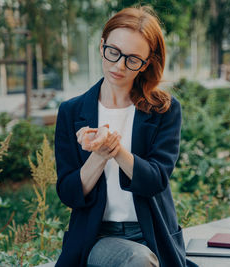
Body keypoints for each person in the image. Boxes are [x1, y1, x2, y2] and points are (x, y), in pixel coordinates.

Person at [54, 6, 197, 267]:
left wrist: (117, 150)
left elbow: (156, 180)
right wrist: (98, 156)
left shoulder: (164, 109)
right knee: (139, 261)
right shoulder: (71, 111)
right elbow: (68, 193)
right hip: (98, 237)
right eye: (113, 52)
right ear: (101, 46)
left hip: (154, 234)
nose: (119, 65)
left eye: (132, 59)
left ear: (146, 64)